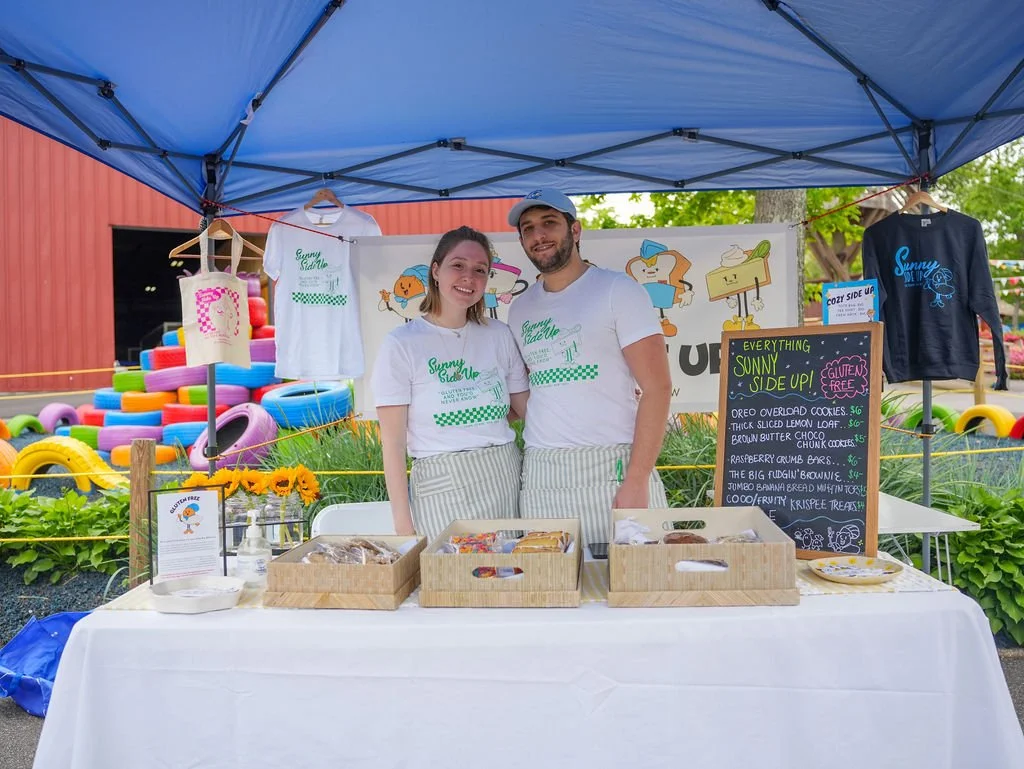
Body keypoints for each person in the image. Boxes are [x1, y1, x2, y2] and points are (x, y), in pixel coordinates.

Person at [507, 189, 671, 547]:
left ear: (575, 230)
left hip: (614, 472)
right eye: (528, 228)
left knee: (638, 591)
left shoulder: (618, 290)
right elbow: (524, 397)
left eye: (549, 223)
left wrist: (637, 479)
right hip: (542, 478)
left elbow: (657, 389)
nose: (539, 235)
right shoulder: (519, 309)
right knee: (550, 594)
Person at [371, 226, 530, 540]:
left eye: (480, 270)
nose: (468, 277)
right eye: (458, 265)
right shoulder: (402, 343)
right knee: (453, 582)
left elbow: (524, 408)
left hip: (503, 477)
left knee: (509, 579)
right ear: (435, 270)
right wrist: (403, 525)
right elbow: (393, 443)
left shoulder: (498, 335)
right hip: (440, 484)